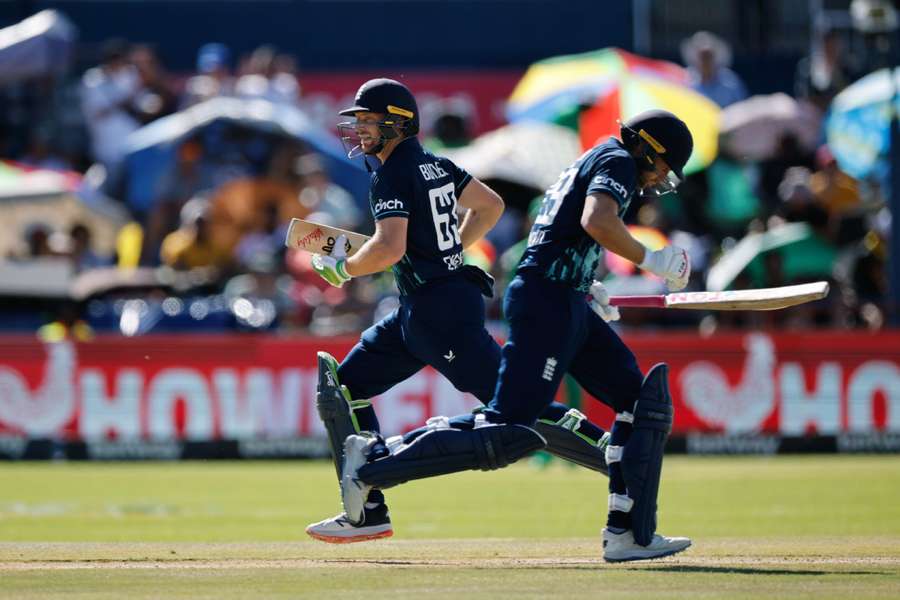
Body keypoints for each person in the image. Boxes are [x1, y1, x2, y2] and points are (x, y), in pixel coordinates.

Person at [335, 109, 696, 563]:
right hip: (548, 302)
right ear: (647, 146)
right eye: (663, 165)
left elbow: (559, 232)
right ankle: (372, 466)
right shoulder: (619, 160)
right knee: (510, 430)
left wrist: (584, 281)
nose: (659, 178)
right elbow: (597, 221)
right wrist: (654, 259)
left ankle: (629, 534)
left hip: (564, 296)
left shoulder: (597, 157)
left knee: (642, 403)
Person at [305, 78, 617, 543]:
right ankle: (368, 511)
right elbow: (489, 206)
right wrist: (448, 250)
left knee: (517, 409)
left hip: (441, 312)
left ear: (398, 123)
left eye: (370, 122)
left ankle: (619, 458)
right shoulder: (434, 164)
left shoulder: (392, 173)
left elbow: (388, 249)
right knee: (344, 389)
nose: (361, 130)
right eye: (360, 122)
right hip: (424, 306)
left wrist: (346, 268)